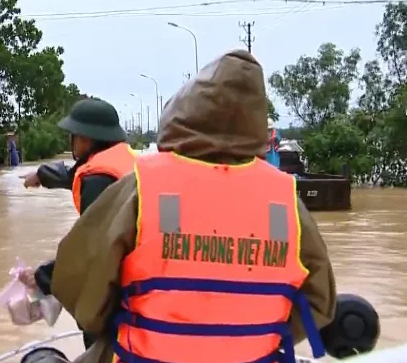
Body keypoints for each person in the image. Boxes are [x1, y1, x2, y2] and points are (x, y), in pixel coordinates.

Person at [44, 50, 337, 363]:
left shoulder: (142, 185)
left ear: (181, 113)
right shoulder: (286, 199)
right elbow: (320, 303)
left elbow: (80, 289)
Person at [21, 97, 136, 350]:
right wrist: (41, 175)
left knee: (96, 332)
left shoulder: (97, 179)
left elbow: (93, 253)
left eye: (73, 135)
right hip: (142, 279)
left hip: (120, 291)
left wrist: (41, 277)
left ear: (85, 139)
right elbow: (71, 174)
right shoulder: (124, 159)